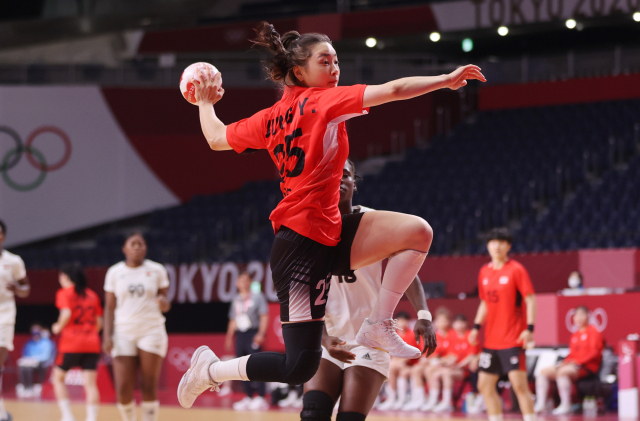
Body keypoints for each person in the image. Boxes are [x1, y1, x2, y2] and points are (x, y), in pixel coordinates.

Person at [177, 21, 484, 410]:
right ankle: (210, 371)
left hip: (332, 232)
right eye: (326, 61)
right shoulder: (323, 101)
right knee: (299, 366)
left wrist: (206, 104)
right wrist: (444, 79)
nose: (335, 68)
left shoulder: (271, 116)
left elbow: (216, 138)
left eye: (337, 60)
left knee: (417, 232)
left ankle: (378, 322)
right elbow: (392, 90)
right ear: (300, 72)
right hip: (300, 246)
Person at [302, 159, 437, 421]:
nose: (340, 180)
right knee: (312, 414)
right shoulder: (310, 228)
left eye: (346, 175)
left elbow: (409, 272)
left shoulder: (374, 221)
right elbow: (302, 294)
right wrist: (323, 338)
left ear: (355, 183)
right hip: (328, 336)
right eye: (332, 175)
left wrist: (424, 315)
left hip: (370, 340)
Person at [468, 227, 537, 421]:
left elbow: (530, 299)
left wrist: (529, 329)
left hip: (513, 339)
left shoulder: (516, 270)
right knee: (484, 385)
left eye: (501, 242)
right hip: (491, 341)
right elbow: (484, 303)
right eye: (492, 242)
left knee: (519, 386)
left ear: (508, 246)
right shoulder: (484, 271)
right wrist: (476, 327)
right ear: (488, 246)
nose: (496, 246)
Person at [103, 233, 171, 421]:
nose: (137, 247)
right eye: (133, 244)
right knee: (123, 387)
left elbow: (165, 300)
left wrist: (164, 303)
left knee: (148, 384)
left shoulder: (157, 270)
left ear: (146, 248)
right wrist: (106, 336)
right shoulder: (114, 272)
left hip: (151, 330)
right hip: (123, 332)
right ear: (124, 248)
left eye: (141, 244)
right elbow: (109, 306)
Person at [51, 263, 104, 421]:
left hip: (71, 342)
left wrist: (57, 327)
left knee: (57, 378)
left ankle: (68, 416)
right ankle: (91, 418)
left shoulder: (64, 293)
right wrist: (90, 332)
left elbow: (66, 313)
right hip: (92, 342)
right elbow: (99, 322)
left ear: (65, 277)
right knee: (90, 384)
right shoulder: (92, 295)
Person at [534, 305, 604, 415]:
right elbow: (572, 354)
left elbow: (594, 353)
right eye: (576, 316)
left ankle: (566, 404)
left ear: (588, 316)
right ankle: (541, 403)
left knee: (563, 372)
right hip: (572, 365)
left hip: (587, 367)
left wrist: (577, 362)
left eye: (582, 315)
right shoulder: (575, 335)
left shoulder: (594, 332)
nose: (579, 318)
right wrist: (564, 363)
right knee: (543, 372)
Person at [225, 272, 270, 411]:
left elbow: (264, 316)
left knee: (256, 364)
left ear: (250, 282)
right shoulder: (236, 299)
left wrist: (261, 333)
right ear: (236, 284)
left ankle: (261, 397)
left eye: (245, 280)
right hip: (241, 335)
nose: (243, 283)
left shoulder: (257, 297)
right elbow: (233, 320)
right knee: (240, 366)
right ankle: (248, 396)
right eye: (240, 281)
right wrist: (229, 337)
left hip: (253, 333)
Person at [0, 219, 30, 420]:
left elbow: (26, 289)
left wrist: (17, 289)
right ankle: (2, 412)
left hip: (5, 313)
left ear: (3, 235)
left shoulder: (14, 261)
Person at [400, 306, 452, 411]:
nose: (441, 323)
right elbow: (431, 354)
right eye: (439, 320)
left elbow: (451, 355)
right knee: (416, 370)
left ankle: (433, 400)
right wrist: (426, 360)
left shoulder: (452, 335)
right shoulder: (435, 335)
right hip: (434, 363)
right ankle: (419, 399)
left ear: (448, 321)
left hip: (445, 366)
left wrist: (436, 361)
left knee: (429, 370)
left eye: (443, 320)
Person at [428, 314, 480, 413]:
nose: (459, 325)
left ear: (466, 323)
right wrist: (445, 363)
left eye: (461, 322)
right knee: (435, 374)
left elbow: (471, 356)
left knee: (446, 373)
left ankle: (448, 403)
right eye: (457, 323)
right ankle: (433, 401)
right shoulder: (453, 336)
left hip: (466, 370)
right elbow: (453, 356)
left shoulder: (470, 335)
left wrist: (458, 366)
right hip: (455, 368)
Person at [377, 312, 421, 411]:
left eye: (404, 321)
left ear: (409, 322)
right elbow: (389, 351)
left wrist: (401, 360)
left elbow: (414, 353)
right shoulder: (393, 335)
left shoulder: (412, 334)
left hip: (411, 364)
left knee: (394, 368)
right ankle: (393, 398)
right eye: (399, 321)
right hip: (396, 364)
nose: (402, 323)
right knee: (391, 368)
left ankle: (398, 399)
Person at [16, 323, 55, 398]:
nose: (35, 335)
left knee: (29, 368)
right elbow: (25, 353)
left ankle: (30, 388)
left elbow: (46, 356)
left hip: (41, 363)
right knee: (23, 367)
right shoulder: (29, 343)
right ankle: (26, 387)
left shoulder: (46, 342)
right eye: (34, 333)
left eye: (37, 333)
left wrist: (35, 359)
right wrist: (27, 359)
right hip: (29, 362)